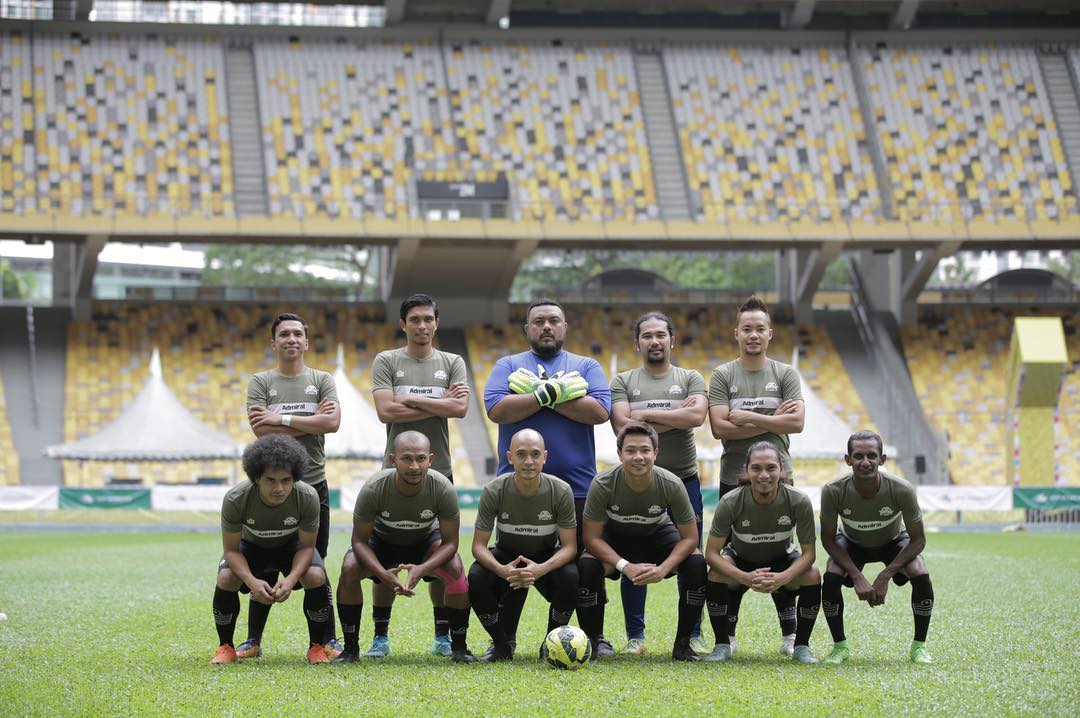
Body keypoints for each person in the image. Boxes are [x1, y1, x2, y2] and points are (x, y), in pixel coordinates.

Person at [483, 298, 612, 656]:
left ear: (565, 328)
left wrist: (537, 393)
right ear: (527, 329)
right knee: (517, 564)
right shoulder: (507, 364)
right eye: (538, 321)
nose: (546, 327)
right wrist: (561, 392)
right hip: (517, 488)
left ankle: (593, 638)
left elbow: (600, 411)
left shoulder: (586, 365)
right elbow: (497, 409)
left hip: (579, 487)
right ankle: (505, 640)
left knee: (585, 567)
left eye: (554, 321)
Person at [371, 293, 470, 657]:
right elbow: (385, 412)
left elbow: (460, 408)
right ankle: (380, 637)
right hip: (392, 474)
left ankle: (442, 636)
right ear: (404, 324)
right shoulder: (387, 360)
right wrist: (437, 401)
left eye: (428, 319)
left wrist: (409, 401)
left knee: (441, 558)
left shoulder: (452, 361)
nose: (422, 326)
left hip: (439, 472)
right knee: (383, 559)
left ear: (436, 323)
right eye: (415, 320)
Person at [707, 295, 804, 655]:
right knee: (734, 554)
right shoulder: (722, 375)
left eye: (759, 329)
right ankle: (727, 638)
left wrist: (748, 419)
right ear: (737, 333)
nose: (753, 334)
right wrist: (771, 420)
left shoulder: (785, 374)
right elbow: (719, 428)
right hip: (734, 476)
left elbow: (796, 422)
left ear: (770, 334)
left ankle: (791, 636)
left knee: (778, 551)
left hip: (781, 478)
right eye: (747, 328)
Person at [610, 311, 708, 656]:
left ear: (672, 340)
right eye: (647, 335)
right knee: (632, 555)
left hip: (684, 480)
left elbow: (696, 416)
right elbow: (623, 429)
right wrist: (673, 417)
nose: (654, 341)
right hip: (636, 483)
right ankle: (635, 637)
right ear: (638, 342)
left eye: (660, 335)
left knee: (690, 556)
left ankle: (692, 634)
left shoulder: (690, 377)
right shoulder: (623, 380)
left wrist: (645, 417)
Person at [244, 312, 341, 659]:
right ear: (274, 343)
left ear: (306, 341)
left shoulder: (322, 379)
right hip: (270, 491)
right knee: (266, 562)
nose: (291, 339)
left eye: (298, 333)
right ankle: (253, 640)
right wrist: (309, 422)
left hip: (313, 486)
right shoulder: (260, 382)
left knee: (316, 565)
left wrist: (280, 419)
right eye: (284, 334)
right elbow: (261, 431)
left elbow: (331, 422)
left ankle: (326, 640)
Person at [333, 431, 476, 664]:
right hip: (382, 543)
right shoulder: (373, 488)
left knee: (454, 565)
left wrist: (423, 568)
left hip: (425, 543)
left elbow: (450, 543)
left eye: (420, 459)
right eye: (406, 458)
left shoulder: (443, 488)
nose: (414, 466)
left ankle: (457, 646)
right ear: (393, 459)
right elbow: (359, 541)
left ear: (431, 459)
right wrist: (381, 573)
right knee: (349, 568)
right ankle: (351, 649)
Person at [576, 422, 706, 662]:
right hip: (616, 538)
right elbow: (591, 538)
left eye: (645, 450)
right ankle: (593, 642)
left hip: (657, 536)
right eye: (631, 450)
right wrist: (625, 566)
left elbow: (690, 538)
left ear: (655, 453)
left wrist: (664, 569)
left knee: (696, 563)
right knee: (587, 565)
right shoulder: (603, 483)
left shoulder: (671, 483)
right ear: (619, 454)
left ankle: (683, 645)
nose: (638, 457)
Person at [210, 435, 332, 664]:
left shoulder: (307, 496)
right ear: (256, 477)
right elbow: (232, 550)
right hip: (251, 547)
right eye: (271, 480)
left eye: (286, 480)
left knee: (316, 575)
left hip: (292, 547)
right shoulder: (236, 498)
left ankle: (316, 646)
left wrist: (291, 579)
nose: (279, 488)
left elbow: (307, 546)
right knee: (226, 577)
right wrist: (252, 581)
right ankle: (225, 646)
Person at [819, 431, 934, 665]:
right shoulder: (833, 490)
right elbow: (829, 540)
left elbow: (918, 539)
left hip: (893, 542)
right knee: (832, 572)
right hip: (851, 542)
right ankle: (839, 647)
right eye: (858, 456)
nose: (865, 462)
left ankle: (919, 647)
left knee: (919, 570)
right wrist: (856, 575)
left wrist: (885, 575)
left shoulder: (901, 489)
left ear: (882, 459)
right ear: (847, 460)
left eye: (872, 456)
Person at [702, 441, 821, 664]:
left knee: (812, 574)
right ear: (747, 471)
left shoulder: (799, 500)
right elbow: (712, 553)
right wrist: (744, 577)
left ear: (782, 470)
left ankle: (802, 646)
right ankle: (722, 644)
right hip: (741, 560)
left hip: (783, 560)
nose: (763, 475)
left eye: (771, 468)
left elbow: (809, 554)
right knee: (716, 573)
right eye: (756, 468)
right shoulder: (730, 501)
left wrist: (783, 578)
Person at [468, 428, 578, 661]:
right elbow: (478, 546)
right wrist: (503, 570)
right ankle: (501, 645)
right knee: (476, 574)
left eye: (535, 454)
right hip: (507, 557)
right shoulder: (493, 490)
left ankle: (551, 644)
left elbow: (570, 547)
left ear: (545, 457)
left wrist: (541, 569)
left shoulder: (561, 490)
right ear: (510, 457)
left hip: (545, 557)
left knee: (571, 575)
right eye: (521, 454)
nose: (529, 461)